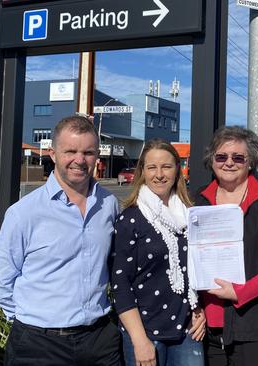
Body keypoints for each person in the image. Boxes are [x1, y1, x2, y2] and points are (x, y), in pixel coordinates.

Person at [0, 115, 122, 366]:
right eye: (70, 151)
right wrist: (32, 321)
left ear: (97, 156)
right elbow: (0, 281)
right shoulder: (24, 213)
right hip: (38, 345)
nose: (79, 160)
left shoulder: (109, 205)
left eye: (88, 152)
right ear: (53, 153)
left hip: (99, 341)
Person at [195, 126, 258, 366]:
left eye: (238, 157)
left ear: (250, 162)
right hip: (209, 326)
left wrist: (241, 292)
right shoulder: (197, 200)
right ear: (212, 160)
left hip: (257, 327)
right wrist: (194, 306)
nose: (229, 162)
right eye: (221, 156)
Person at [111, 139, 206, 366]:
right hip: (144, 332)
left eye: (167, 166)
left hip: (187, 330)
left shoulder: (189, 215)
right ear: (142, 171)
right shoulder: (130, 219)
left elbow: (196, 269)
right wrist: (139, 340)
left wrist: (198, 306)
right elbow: (120, 284)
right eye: (152, 167)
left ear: (178, 170)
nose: (159, 174)